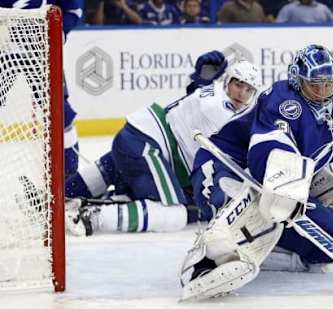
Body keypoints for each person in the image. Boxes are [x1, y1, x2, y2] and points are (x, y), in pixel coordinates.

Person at [180, 44, 333, 301]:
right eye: (314, 85)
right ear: (296, 79)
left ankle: (267, 249)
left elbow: (316, 157)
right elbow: (268, 148)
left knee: (330, 242)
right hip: (225, 165)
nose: (322, 93)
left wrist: (326, 188)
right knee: (226, 204)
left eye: (328, 85)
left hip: (279, 181)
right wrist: (286, 188)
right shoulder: (283, 98)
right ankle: (202, 264)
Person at [65, 51, 262, 236]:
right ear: (228, 81)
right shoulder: (222, 112)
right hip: (150, 145)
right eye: (238, 84)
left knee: (115, 169)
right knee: (175, 214)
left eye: (248, 89)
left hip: (136, 138)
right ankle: (93, 217)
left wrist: (198, 81)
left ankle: (64, 193)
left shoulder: (214, 91)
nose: (242, 93)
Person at [0, 0, 84, 177]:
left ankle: (69, 178)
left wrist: (58, 33)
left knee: (61, 112)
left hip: (42, 50)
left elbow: (74, 9)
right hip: (4, 49)